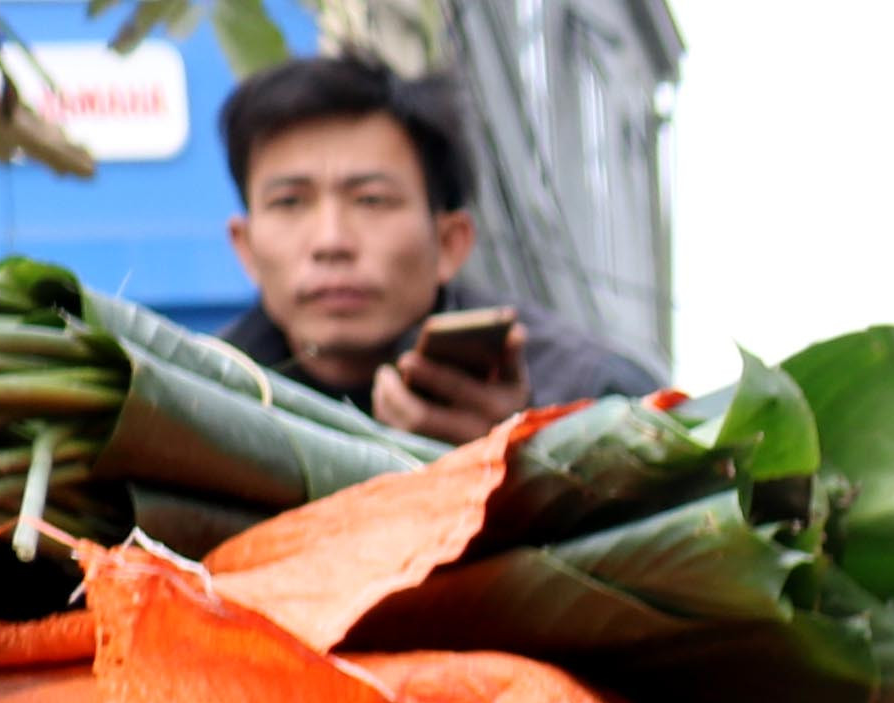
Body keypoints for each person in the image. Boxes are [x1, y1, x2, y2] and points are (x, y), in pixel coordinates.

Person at [216, 52, 664, 443]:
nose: (331, 242)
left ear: (450, 243)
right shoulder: (200, 401)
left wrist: (520, 461)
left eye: (371, 200)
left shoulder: (599, 402)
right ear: (246, 247)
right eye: (289, 202)